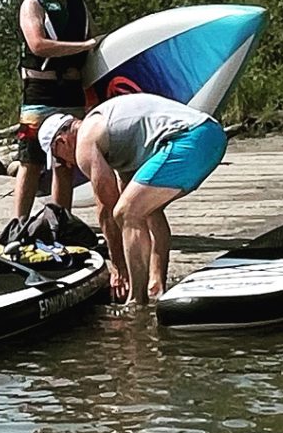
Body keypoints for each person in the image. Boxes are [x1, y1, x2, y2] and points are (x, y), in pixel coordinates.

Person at [38, 92, 227, 306]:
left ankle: (137, 302)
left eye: (59, 158)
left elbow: (108, 208)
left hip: (192, 138)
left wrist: (118, 267)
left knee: (127, 212)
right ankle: (156, 284)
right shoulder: (115, 137)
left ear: (62, 142)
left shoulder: (84, 141)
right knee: (145, 209)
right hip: (211, 134)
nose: (68, 165)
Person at [12, 0, 99, 222]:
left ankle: (61, 222)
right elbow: (37, 44)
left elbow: (96, 43)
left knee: (66, 161)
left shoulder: (78, 6)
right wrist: (83, 46)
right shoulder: (32, 4)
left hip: (72, 92)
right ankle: (20, 223)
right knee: (31, 161)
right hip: (40, 94)